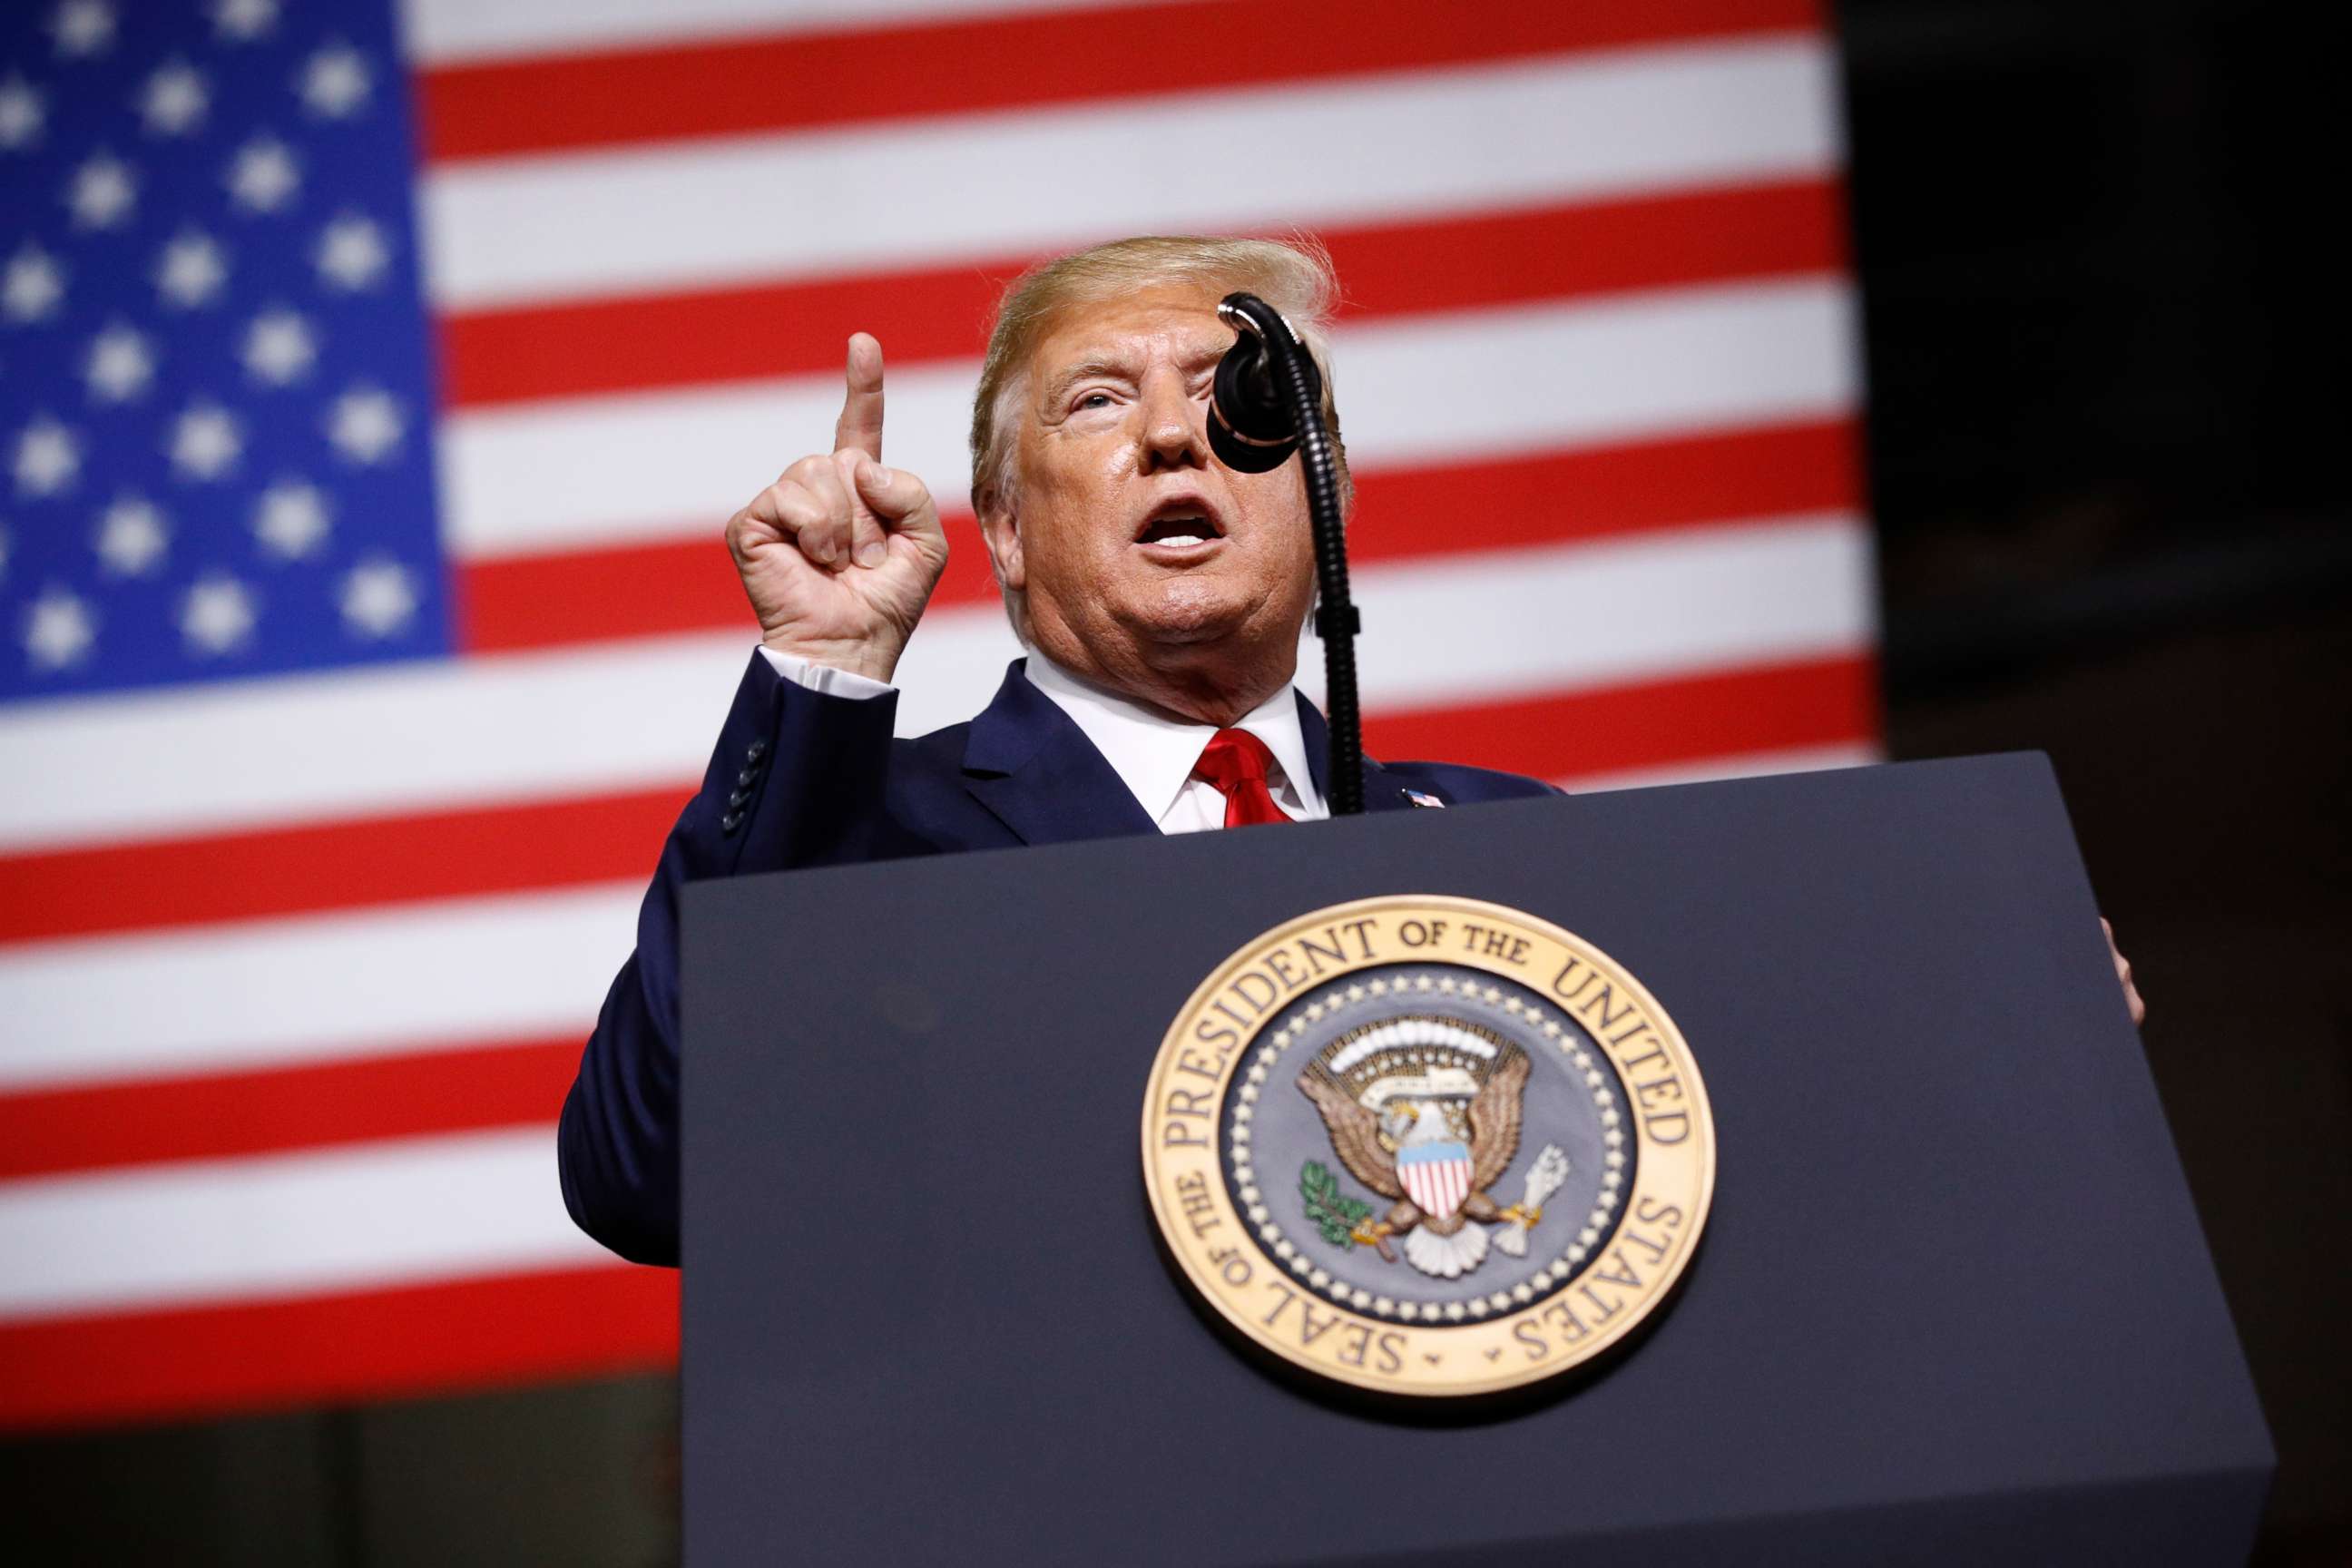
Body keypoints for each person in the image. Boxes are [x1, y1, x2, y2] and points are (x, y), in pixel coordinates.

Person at [556, 236, 2143, 1267]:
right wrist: (825, 676)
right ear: (1010, 538)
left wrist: (1996, 1044)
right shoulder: (870, 837)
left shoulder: (1512, 845)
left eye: (1240, 403)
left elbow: (1698, 1181)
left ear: (1325, 509)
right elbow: (646, 1173)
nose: (1177, 437)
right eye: (1100, 401)